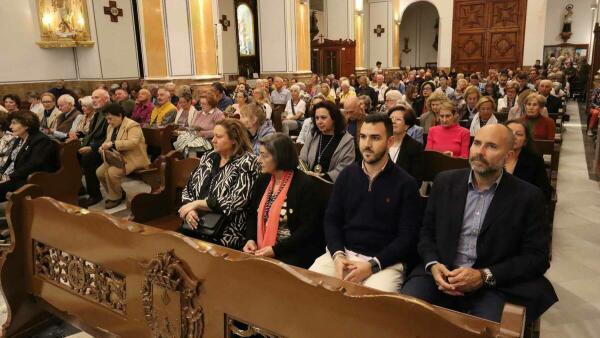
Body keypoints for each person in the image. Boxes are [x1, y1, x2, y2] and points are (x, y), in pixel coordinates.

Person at [402, 124, 557, 324]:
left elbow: (537, 257)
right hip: (441, 275)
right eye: (477, 143)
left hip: (492, 286)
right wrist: (433, 264)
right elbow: (427, 232)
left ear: (508, 155)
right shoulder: (445, 182)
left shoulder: (528, 196)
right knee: (404, 314)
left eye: (491, 146)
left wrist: (483, 276)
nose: (479, 152)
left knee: (487, 329)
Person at [309, 113, 420, 293]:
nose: (367, 144)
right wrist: (337, 255)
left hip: (384, 262)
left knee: (372, 311)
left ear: (390, 142)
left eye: (375, 138)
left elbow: (407, 238)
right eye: (363, 137)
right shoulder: (347, 175)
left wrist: (372, 265)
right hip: (343, 254)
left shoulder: (406, 184)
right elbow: (331, 220)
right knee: (307, 290)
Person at [244, 133, 324, 268]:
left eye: (264, 156)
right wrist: (250, 239)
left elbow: (307, 229)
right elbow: (253, 214)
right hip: (262, 247)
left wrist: (276, 250)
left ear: (280, 157)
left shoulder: (304, 185)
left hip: (293, 251)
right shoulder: (263, 180)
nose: (258, 160)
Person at [178, 119, 259, 249]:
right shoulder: (208, 157)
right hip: (196, 223)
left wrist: (197, 203)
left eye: (219, 136)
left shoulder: (248, 162)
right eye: (214, 135)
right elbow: (189, 188)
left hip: (227, 230)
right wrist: (189, 209)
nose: (213, 140)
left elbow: (236, 202)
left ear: (234, 140)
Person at [95, 103, 151, 209]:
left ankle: (115, 198)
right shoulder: (111, 127)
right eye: (107, 119)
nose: (108, 122)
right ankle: (118, 193)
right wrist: (103, 147)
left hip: (134, 158)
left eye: (110, 118)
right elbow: (107, 141)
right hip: (117, 157)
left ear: (120, 115)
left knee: (112, 173)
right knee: (100, 172)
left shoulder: (132, 125)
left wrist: (113, 144)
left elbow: (133, 143)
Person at [0, 111, 59, 202]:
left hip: (30, 179)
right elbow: (10, 160)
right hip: (15, 175)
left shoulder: (41, 140)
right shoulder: (19, 138)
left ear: (27, 125)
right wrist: (2, 173)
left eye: (14, 123)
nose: (10, 126)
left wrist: (9, 177)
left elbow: (33, 165)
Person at [299, 101, 354, 183]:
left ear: (334, 118)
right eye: (317, 118)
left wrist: (322, 177)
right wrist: (307, 174)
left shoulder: (347, 140)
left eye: (323, 118)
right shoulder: (313, 134)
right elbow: (302, 159)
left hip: (331, 186)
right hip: (308, 183)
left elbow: (345, 167)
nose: (319, 122)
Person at [504, 120, 552, 201]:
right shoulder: (492, 156)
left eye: (519, 134)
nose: (513, 136)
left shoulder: (534, 160)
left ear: (525, 141)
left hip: (522, 205)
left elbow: (544, 192)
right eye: (509, 132)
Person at [78, 89, 110, 208]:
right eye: (93, 98)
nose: (94, 100)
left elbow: (111, 135)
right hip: (96, 144)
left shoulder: (111, 111)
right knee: (69, 152)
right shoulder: (98, 112)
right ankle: (78, 187)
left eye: (97, 97)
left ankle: (95, 194)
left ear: (106, 98)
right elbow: (91, 133)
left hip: (107, 147)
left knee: (88, 158)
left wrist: (92, 147)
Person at [387, 105, 424, 184]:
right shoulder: (381, 143)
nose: (393, 121)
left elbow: (416, 180)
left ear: (406, 126)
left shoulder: (415, 147)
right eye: (391, 118)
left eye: (398, 119)